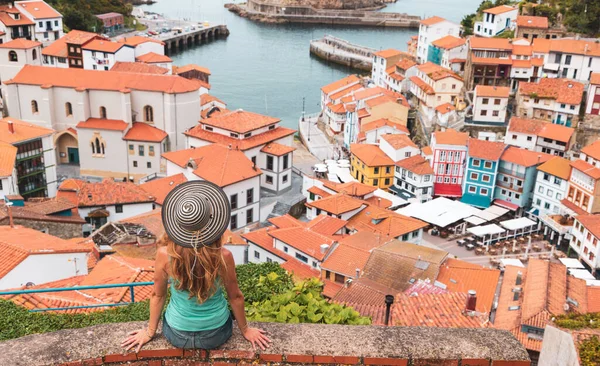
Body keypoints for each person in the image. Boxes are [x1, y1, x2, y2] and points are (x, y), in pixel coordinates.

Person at [121, 181, 271, 352]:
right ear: (213, 224)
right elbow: (235, 297)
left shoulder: (165, 254)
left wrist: (149, 332)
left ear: (178, 225)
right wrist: (245, 330)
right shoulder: (224, 256)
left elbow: (157, 295)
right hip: (216, 334)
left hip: (177, 334)